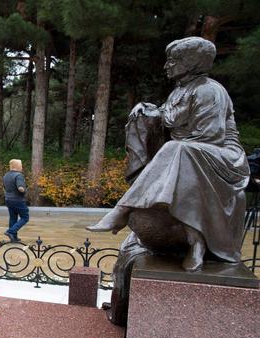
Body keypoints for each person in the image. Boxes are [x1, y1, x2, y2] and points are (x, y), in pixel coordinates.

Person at [87, 37, 249, 273]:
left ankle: (122, 210)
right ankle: (194, 240)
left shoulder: (209, 90)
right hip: (187, 152)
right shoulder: (179, 91)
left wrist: (171, 134)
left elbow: (210, 135)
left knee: (176, 149)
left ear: (191, 62)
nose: (166, 66)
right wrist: (146, 109)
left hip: (223, 157)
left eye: (172, 60)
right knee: (176, 149)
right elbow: (166, 115)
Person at [2, 159, 29, 242]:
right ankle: (10, 231)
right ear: (17, 166)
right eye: (21, 165)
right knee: (25, 217)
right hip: (18, 200)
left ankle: (13, 237)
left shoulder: (6, 175)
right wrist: (24, 190)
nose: (22, 167)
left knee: (13, 218)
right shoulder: (18, 175)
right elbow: (20, 187)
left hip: (8, 199)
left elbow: (4, 187)